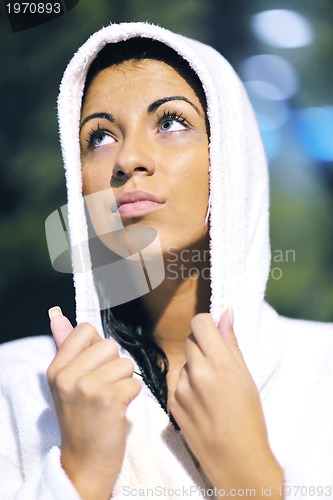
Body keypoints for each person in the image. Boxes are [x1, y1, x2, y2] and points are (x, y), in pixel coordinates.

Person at [0, 21, 333, 500]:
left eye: (171, 122)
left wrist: (253, 478)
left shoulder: (322, 371)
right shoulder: (20, 384)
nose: (128, 157)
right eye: (99, 137)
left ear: (233, 156)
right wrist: (79, 473)